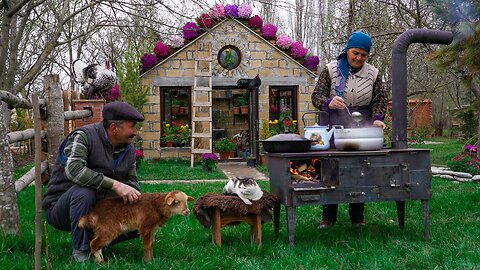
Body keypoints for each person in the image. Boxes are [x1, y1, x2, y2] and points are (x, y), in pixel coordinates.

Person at [42, 101, 144, 262]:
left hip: (99, 209)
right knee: (84, 192)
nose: (135, 132)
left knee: (142, 218)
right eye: (132, 126)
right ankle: (81, 253)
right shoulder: (83, 137)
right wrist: (115, 185)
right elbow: (74, 171)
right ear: (113, 128)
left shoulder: (128, 149)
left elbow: (131, 184)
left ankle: (96, 243)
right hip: (62, 207)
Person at [311, 31, 388, 228]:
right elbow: (316, 96)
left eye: (363, 55)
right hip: (334, 122)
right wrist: (329, 102)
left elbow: (379, 100)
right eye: (355, 53)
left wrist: (378, 119)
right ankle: (328, 218)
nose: (359, 58)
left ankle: (357, 217)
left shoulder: (373, 74)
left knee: (359, 167)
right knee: (332, 168)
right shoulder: (331, 69)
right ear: (347, 51)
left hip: (361, 123)